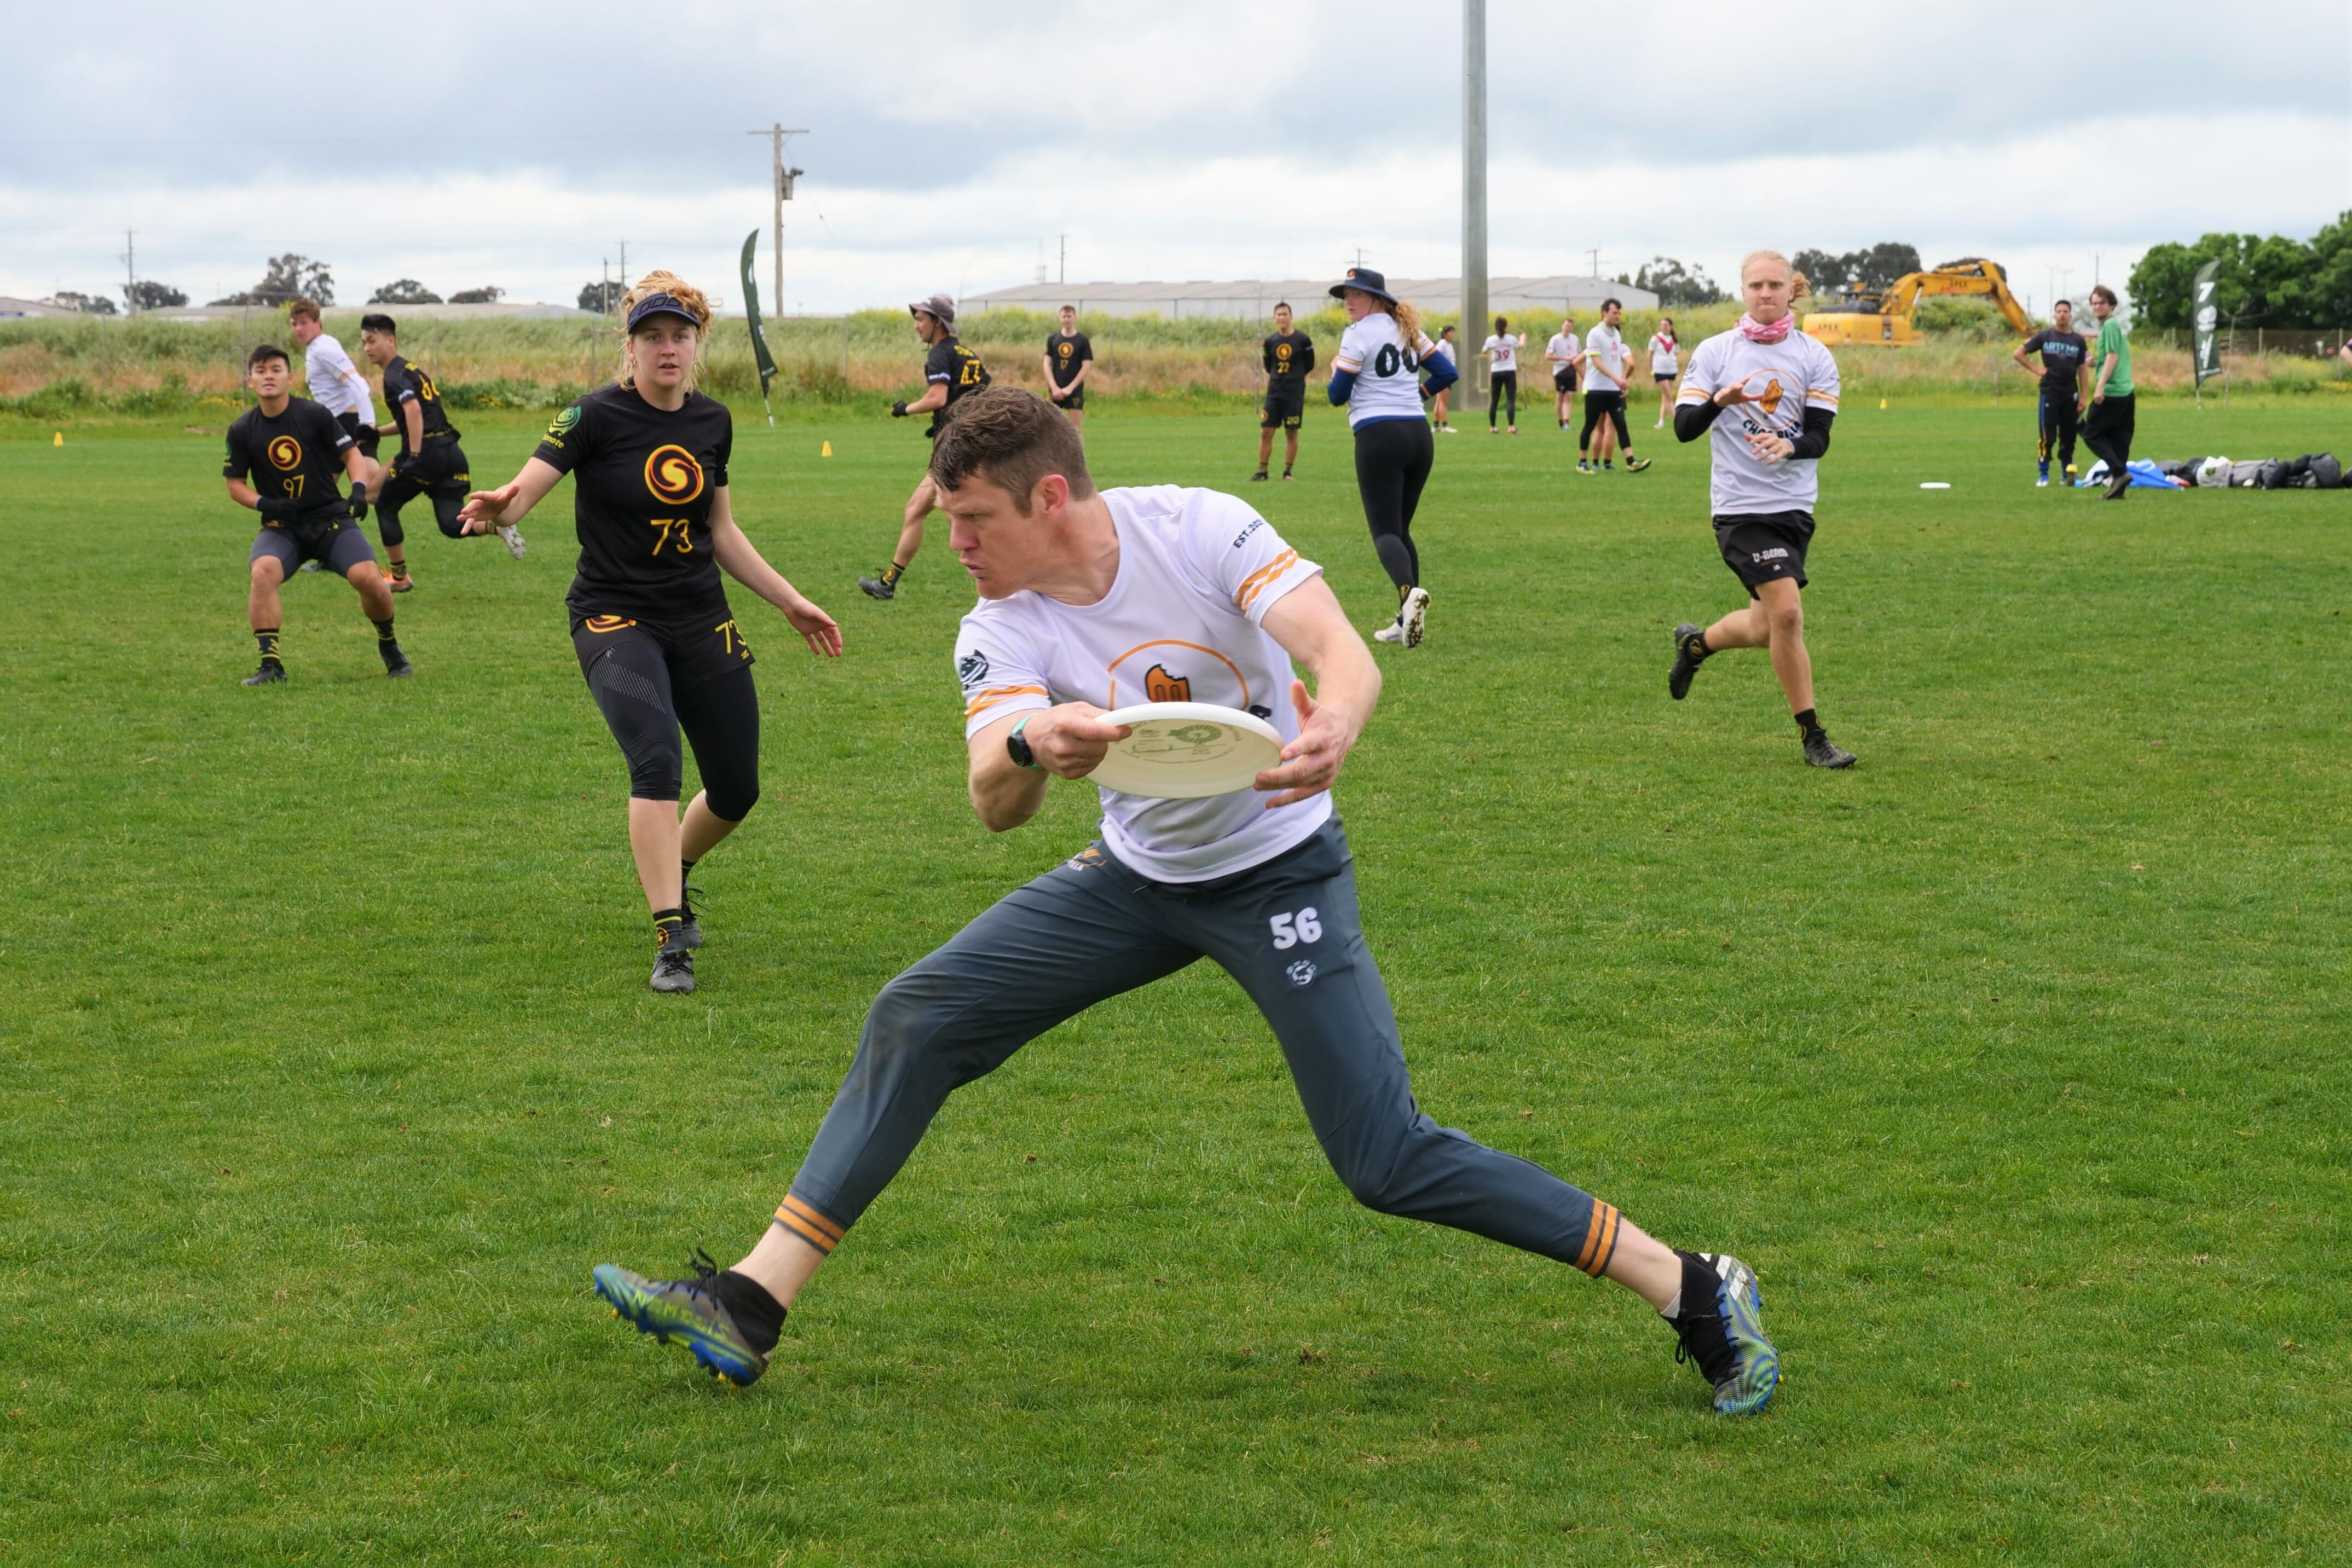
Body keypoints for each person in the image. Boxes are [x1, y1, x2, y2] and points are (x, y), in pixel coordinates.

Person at [588, 385, 1782, 1417]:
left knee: (1384, 1156)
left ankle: (1691, 1283)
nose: (949, 541)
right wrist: (1032, 747)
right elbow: (990, 807)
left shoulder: (1200, 526)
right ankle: (750, 1300)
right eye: (944, 520)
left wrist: (1336, 723)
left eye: (970, 520)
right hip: (1135, 880)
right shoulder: (999, 620)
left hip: (1280, 871)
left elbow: (1337, 646)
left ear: (1047, 497)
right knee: (919, 1013)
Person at [456, 272, 842, 993]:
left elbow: (720, 529)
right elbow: (525, 490)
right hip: (613, 615)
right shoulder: (590, 417)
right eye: (652, 337)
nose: (667, 349)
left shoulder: (713, 422)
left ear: (697, 347)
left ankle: (679, 862)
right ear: (628, 347)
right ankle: (672, 935)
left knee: (736, 788)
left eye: (680, 337)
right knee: (657, 759)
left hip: (700, 616)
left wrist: (789, 600)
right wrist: (501, 510)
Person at [1665, 251, 1855, 769]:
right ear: (1743, 290)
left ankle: (1697, 646)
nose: (1765, 293)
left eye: (1774, 284)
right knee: (1789, 614)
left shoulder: (1814, 355)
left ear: (1789, 291)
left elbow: (1818, 436)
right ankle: (1813, 736)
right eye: (1755, 285)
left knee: (1766, 625)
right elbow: (1683, 428)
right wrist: (1718, 404)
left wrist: (1789, 446)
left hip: (1793, 507)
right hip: (1739, 509)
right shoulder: (1715, 352)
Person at [223, 343, 410, 685]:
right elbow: (235, 484)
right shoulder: (241, 430)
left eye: (276, 370)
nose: (269, 377)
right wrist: (267, 504)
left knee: (368, 579)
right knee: (262, 572)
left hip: (331, 521)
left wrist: (357, 488)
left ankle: (390, 645)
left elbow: (352, 455)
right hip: (282, 526)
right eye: (261, 371)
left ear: (290, 377)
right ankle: (270, 665)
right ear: (249, 380)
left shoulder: (314, 415)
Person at [1327, 267, 1452, 646]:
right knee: (1399, 531)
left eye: (1356, 294)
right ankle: (1405, 619)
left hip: (1378, 435)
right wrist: (1420, 395)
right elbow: (1446, 371)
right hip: (1418, 435)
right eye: (1346, 295)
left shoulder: (1357, 334)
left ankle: (1407, 594)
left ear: (1377, 299)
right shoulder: (1406, 330)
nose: (1348, 301)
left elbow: (1336, 395)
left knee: (1384, 532)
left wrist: (1335, 368)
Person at [357, 313, 523, 577]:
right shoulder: (411, 370)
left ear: (391, 341)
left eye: (372, 341)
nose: (367, 348)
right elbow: (418, 416)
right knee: (451, 523)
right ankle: (495, 527)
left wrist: (413, 453)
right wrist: (377, 432)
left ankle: (399, 578)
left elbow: (413, 410)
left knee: (386, 506)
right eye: (364, 342)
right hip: (450, 453)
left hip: (425, 455)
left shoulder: (393, 375)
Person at [859, 295, 990, 599]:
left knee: (958, 518)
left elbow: (937, 397)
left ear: (938, 323)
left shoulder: (940, 355)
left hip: (954, 450)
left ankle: (1007, 576)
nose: (917, 326)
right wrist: (955, 421)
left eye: (921, 319)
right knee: (917, 509)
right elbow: (983, 395)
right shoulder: (966, 353)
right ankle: (888, 584)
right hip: (961, 444)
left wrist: (906, 409)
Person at [288, 298, 385, 566]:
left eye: (304, 323)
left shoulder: (323, 348)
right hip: (342, 421)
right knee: (375, 491)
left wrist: (366, 422)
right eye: (294, 324)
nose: (298, 329)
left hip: (343, 423)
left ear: (318, 323)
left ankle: (330, 552)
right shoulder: (318, 347)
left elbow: (358, 383)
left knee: (321, 493)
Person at [2013, 300, 2090, 488]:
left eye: (2066, 311)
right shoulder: (2045, 336)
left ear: (2071, 316)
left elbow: (2082, 369)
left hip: (2070, 394)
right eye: (2059, 311)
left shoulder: (2078, 340)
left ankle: (2066, 473)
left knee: (2069, 435)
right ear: (2054, 315)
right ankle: (2044, 474)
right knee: (2048, 435)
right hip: (2050, 392)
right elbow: (2019, 353)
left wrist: (2084, 397)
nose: (2062, 314)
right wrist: (2036, 370)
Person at [1574, 299, 1651, 473]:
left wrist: (1621, 382)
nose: (1618, 316)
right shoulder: (1594, 334)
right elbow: (1596, 361)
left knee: (1621, 424)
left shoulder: (1616, 334)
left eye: (1619, 313)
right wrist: (1617, 379)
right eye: (1615, 313)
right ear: (1604, 313)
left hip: (1613, 389)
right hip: (1595, 388)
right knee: (1590, 425)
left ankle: (1631, 461)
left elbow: (1616, 362)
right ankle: (1582, 462)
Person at [2081, 285, 2134, 501]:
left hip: (2113, 391)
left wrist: (2100, 386)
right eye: (2094, 303)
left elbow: (2113, 356)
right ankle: (2118, 491)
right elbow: (2109, 356)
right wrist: (2094, 362)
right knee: (2119, 438)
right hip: (2126, 391)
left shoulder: (2110, 326)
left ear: (2111, 305)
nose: (2097, 307)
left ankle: (2120, 473)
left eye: (2101, 303)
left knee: (2091, 433)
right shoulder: (2110, 327)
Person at [1255, 302, 1315, 479]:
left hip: (1294, 393)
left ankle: (1287, 472)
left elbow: (1309, 364)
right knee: (1266, 431)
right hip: (1274, 393)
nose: (1282, 318)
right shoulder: (1270, 341)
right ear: (1274, 318)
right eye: (1279, 315)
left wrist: (1294, 378)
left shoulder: (1303, 340)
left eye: (1285, 314)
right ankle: (1262, 472)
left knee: (1291, 432)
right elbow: (1268, 366)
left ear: (1291, 316)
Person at [1041, 304, 1093, 436]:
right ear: (1060, 318)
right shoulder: (1053, 339)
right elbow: (1047, 363)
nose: (1067, 319)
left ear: (1075, 318)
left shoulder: (1082, 340)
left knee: (1075, 429)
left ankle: (1077, 457)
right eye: (1064, 316)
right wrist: (1054, 387)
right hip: (1055, 389)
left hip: (1074, 390)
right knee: (1050, 428)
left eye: (1069, 316)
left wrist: (1070, 388)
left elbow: (1086, 365)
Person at [1480, 315, 1524, 433]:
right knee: (1510, 399)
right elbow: (1520, 346)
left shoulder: (1491, 340)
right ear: (1506, 327)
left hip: (1496, 371)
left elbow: (1483, 351)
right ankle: (1511, 426)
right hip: (1509, 370)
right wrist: (1523, 338)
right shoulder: (1511, 339)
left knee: (1494, 400)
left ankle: (1493, 427)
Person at [1545, 317, 1581, 430]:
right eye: (1566, 326)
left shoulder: (1575, 339)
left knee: (1569, 396)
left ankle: (1566, 423)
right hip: (1560, 371)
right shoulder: (1555, 339)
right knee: (1560, 396)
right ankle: (1560, 421)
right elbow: (1548, 356)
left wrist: (1576, 358)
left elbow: (1580, 353)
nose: (1568, 328)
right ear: (1562, 326)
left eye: (1570, 327)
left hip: (1571, 369)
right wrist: (1564, 358)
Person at [1649, 317, 1681, 429]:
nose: (1664, 327)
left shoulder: (1674, 339)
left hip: (1672, 370)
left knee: (1665, 397)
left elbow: (1676, 353)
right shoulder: (1656, 339)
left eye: (1666, 325)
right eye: (1662, 325)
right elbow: (1651, 354)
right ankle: (1678, 421)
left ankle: (1661, 422)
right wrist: (1652, 368)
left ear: (1671, 326)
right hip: (1660, 370)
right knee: (1669, 396)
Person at [1428, 324, 1461, 432]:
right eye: (1451, 332)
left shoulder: (1449, 345)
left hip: (1447, 375)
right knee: (1444, 401)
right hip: (1443, 375)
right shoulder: (1442, 344)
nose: (1453, 334)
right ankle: (1445, 425)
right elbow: (1435, 357)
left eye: (1454, 332)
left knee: (1439, 401)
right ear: (1445, 334)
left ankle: (1436, 425)